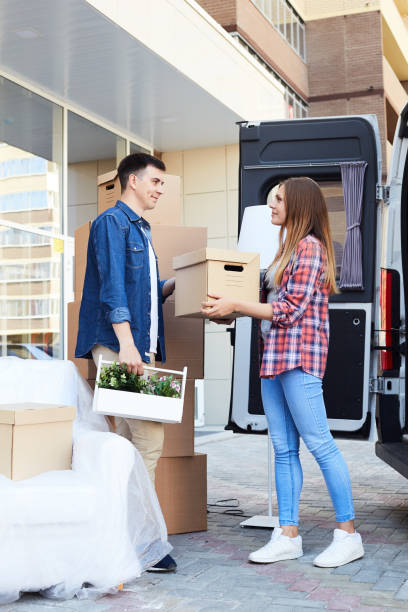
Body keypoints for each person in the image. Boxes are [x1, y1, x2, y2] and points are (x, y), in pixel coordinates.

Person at [201, 177, 364, 568]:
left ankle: (348, 534)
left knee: (320, 444)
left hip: (299, 360)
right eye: (272, 198)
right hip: (274, 360)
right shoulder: (283, 251)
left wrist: (237, 303)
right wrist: (230, 308)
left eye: (278, 200)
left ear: (300, 206)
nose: (271, 205)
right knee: (284, 449)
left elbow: (289, 310)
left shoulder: (309, 248)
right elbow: (269, 307)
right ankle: (288, 534)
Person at [75, 152, 177, 572]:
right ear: (132, 180)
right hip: (122, 346)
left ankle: (121, 535)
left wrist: (177, 285)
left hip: (136, 347)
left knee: (132, 445)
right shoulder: (111, 224)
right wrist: (128, 345)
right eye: (154, 182)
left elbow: (143, 290)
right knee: (148, 441)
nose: (159, 190)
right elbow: (114, 288)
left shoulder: (143, 229)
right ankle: (142, 544)